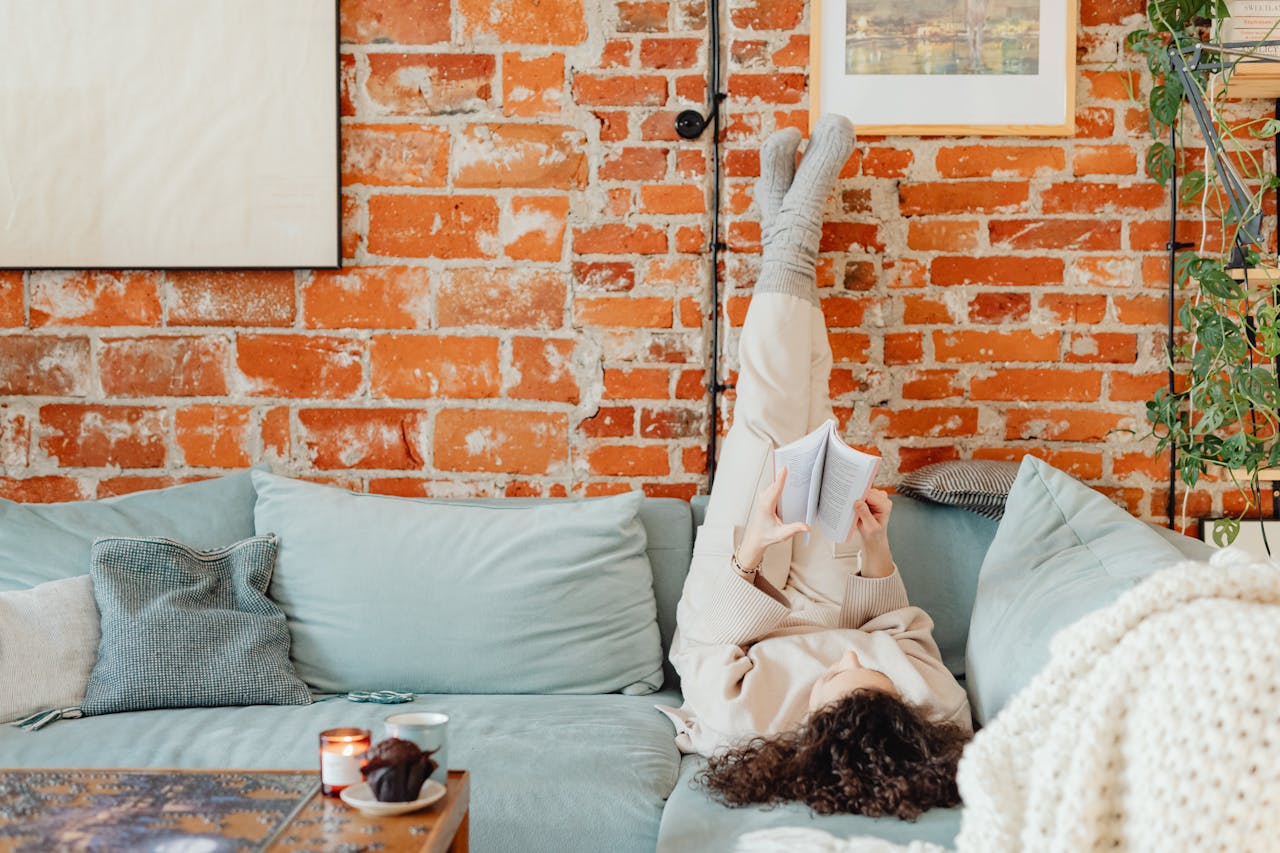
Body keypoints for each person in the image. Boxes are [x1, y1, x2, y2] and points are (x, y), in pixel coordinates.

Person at [659, 115, 972, 820]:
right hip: (834, 591)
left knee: (766, 422)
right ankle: (783, 229)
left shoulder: (751, 722)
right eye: (851, 675)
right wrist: (873, 544)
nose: (835, 664)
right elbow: (896, 631)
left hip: (741, 598)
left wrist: (752, 544)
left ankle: (793, 233)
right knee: (811, 401)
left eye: (824, 684)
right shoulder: (936, 703)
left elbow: (706, 643)